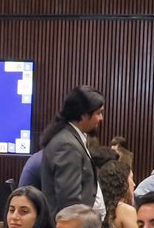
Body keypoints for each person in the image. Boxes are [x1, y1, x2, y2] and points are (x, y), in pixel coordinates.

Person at [39, 85, 105, 216]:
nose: (101, 118)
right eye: (98, 113)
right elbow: (69, 202)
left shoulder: (71, 138)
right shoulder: (67, 145)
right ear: (84, 115)